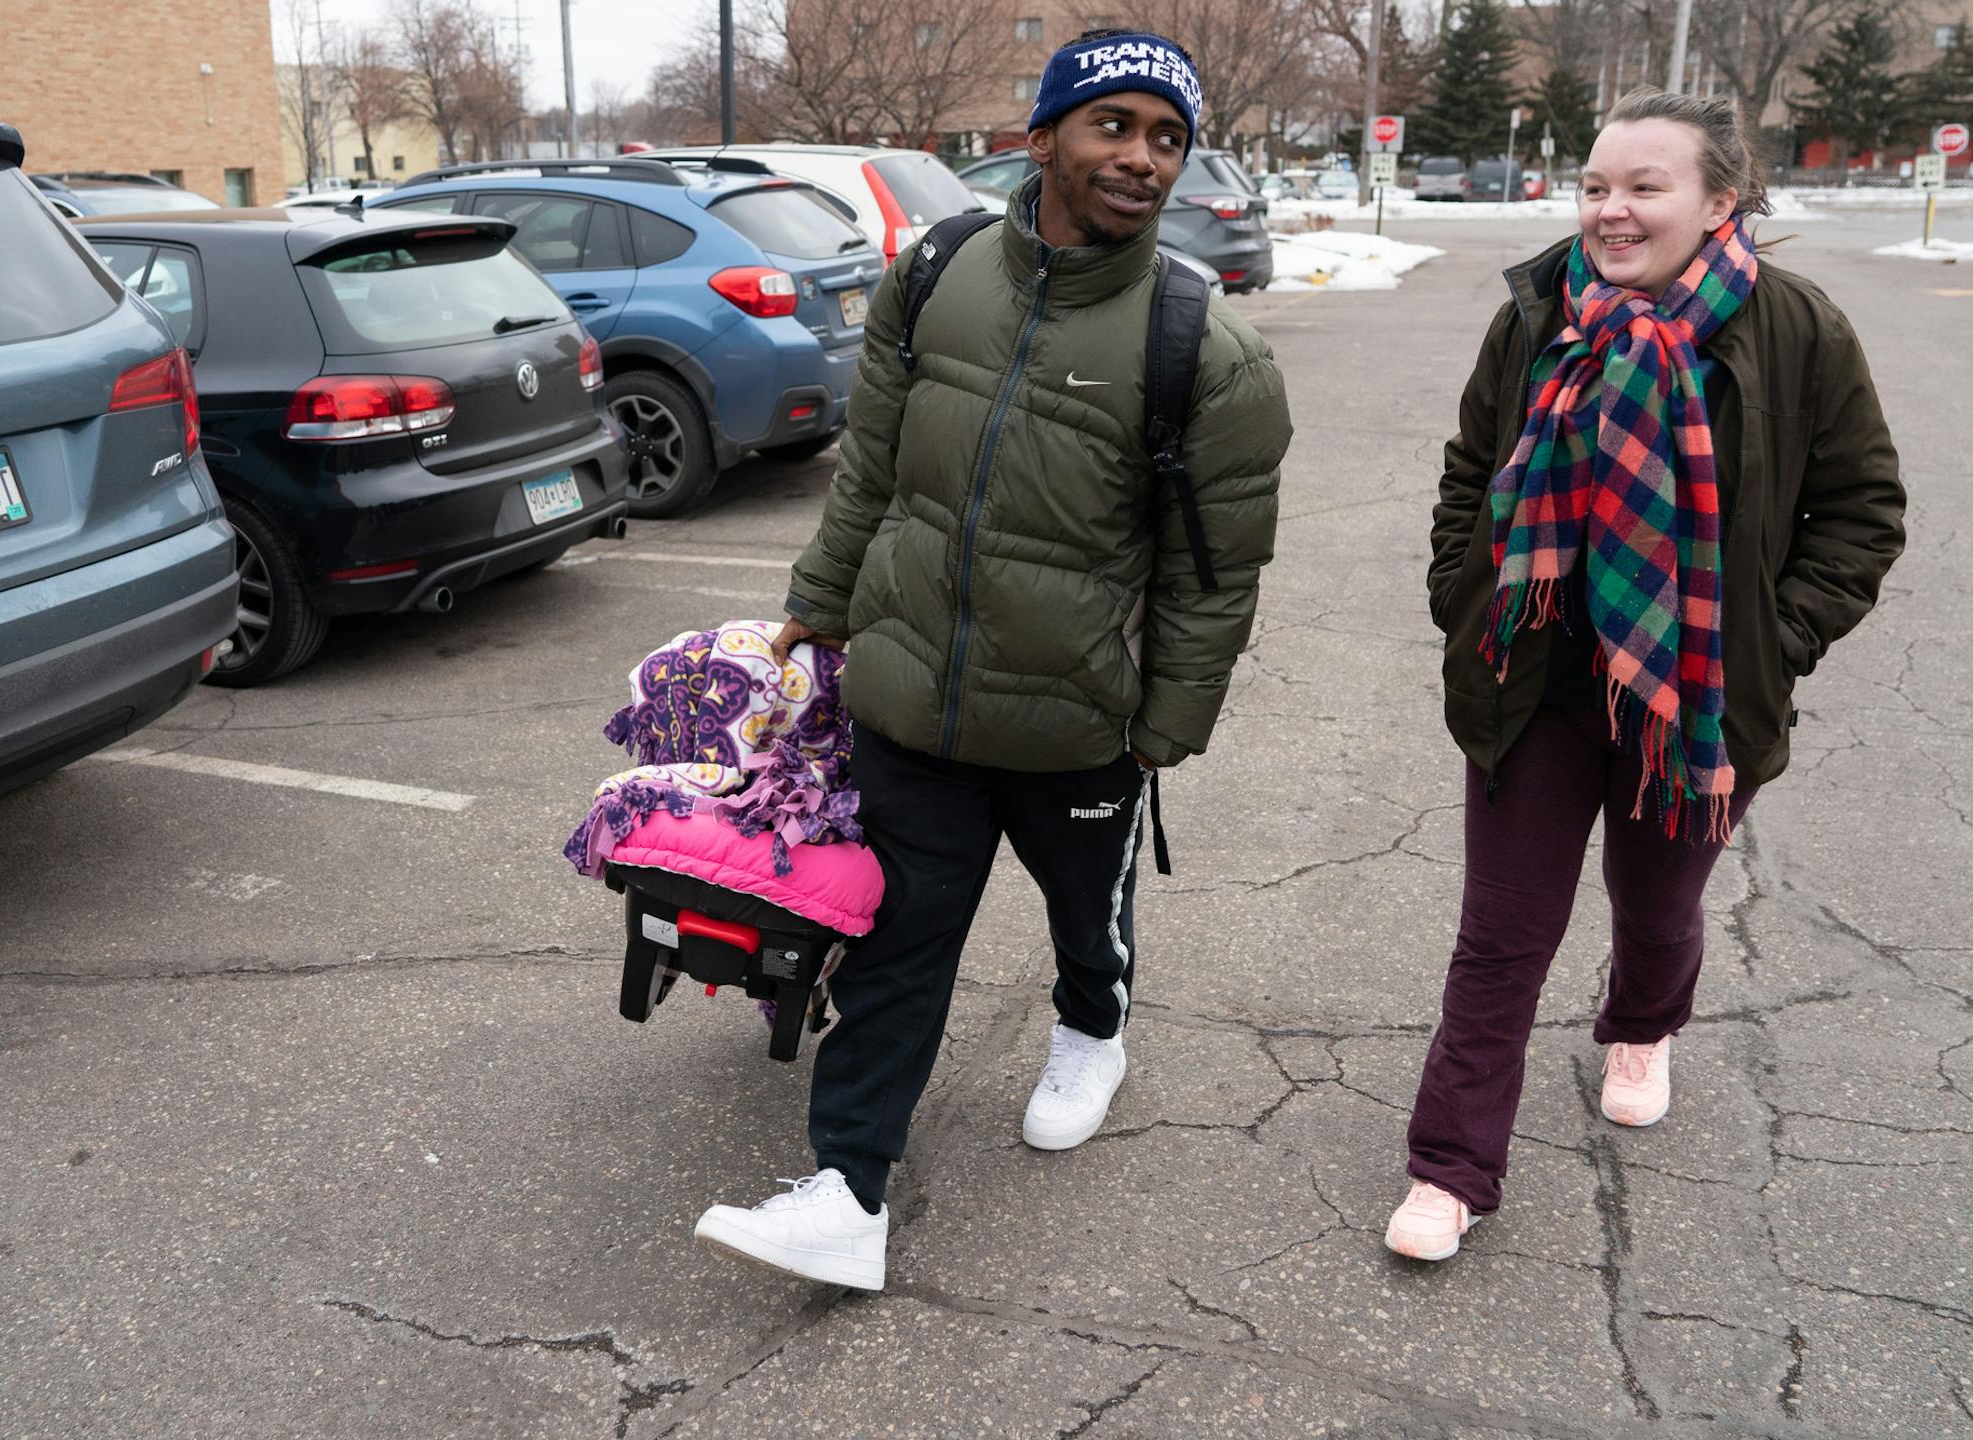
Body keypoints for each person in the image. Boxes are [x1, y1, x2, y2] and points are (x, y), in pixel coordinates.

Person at [691, 28, 1291, 1291]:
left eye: (1167, 138)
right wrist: (822, 598)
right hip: (910, 702)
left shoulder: (1204, 345)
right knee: (897, 944)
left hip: (1080, 722)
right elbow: (874, 466)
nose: (1141, 158)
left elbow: (1216, 572)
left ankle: (1092, 1031)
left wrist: (1164, 726)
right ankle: (848, 1194)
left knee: (1089, 919)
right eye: (1112, 126)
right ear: (1042, 138)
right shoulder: (941, 272)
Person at [1391, 89, 1905, 1261]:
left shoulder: (1797, 329)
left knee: (1656, 903)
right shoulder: (1535, 315)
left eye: (1644, 187)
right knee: (1502, 936)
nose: (1612, 212)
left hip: (1702, 693)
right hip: (1534, 680)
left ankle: (1641, 1023)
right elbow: (1471, 469)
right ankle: (1451, 1166)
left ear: (1721, 199)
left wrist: (1775, 640)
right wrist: (1459, 595)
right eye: (1595, 187)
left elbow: (1864, 514)